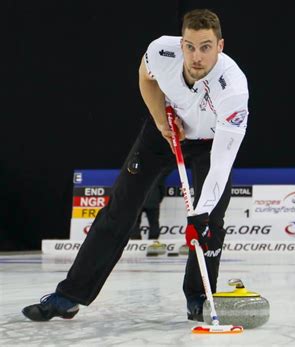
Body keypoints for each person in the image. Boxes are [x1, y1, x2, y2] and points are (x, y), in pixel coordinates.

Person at [22, 8, 249, 322]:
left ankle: (197, 299)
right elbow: (146, 77)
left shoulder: (233, 89)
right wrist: (160, 121)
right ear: (181, 43)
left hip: (211, 144)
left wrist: (201, 213)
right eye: (190, 46)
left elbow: (223, 163)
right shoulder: (160, 51)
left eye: (206, 47)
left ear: (220, 46)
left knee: (210, 223)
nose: (196, 56)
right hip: (164, 132)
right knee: (119, 209)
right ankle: (70, 295)